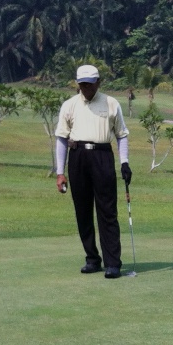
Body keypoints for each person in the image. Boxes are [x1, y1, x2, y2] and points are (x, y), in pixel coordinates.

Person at [54, 65, 131, 278]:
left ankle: (112, 263)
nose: (86, 88)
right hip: (78, 157)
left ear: (98, 82)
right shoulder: (69, 105)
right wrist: (60, 172)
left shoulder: (111, 103)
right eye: (82, 84)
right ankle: (92, 259)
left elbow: (121, 135)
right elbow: (61, 138)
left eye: (89, 84)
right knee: (83, 211)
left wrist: (124, 163)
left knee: (107, 211)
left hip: (102, 155)